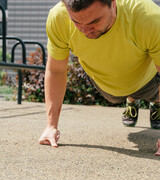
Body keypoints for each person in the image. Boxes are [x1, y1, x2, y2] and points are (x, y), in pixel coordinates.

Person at [39, 0, 160, 147]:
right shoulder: (59, 17)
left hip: (149, 81)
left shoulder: (148, 17)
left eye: (94, 22)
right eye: (76, 22)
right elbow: (56, 70)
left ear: (113, 4)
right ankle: (131, 100)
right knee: (116, 95)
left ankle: (155, 104)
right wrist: (51, 126)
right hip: (108, 86)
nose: (85, 31)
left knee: (156, 96)